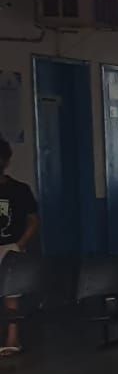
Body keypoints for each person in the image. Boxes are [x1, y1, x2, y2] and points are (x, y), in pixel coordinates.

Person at [0, 138, 38, 357]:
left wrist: (19, 244)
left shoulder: (19, 190)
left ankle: (13, 338)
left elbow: (33, 220)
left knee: (11, 292)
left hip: (11, 245)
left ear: (6, 161)